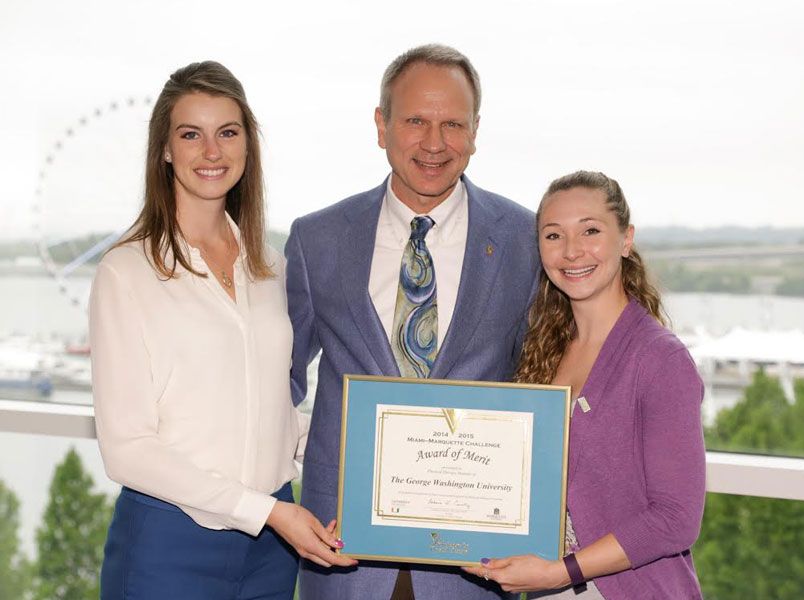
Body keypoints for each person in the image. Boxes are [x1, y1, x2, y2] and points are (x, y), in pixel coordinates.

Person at [89, 60, 355, 600]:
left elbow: (271, 406)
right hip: (168, 545)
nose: (212, 151)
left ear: (247, 145)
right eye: (192, 134)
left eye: (227, 133)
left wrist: (359, 455)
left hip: (272, 551)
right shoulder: (126, 271)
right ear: (165, 149)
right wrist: (270, 512)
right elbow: (127, 449)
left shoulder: (270, 267)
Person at [285, 44, 540, 600]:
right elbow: (280, 380)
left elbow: (546, 384)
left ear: (475, 132)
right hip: (342, 551)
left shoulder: (526, 240)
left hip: (476, 564)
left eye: (453, 123)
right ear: (381, 125)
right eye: (416, 121)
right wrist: (305, 458)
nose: (434, 143)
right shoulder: (317, 239)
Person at [465, 171, 706, 599]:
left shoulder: (660, 359)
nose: (572, 251)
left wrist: (562, 571)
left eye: (591, 230)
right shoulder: (547, 349)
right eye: (553, 236)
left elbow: (676, 519)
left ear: (626, 240)